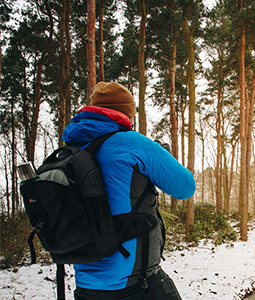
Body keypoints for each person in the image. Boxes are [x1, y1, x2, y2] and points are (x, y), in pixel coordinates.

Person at [61, 82, 196, 300]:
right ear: (126, 113)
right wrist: (162, 156)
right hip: (135, 284)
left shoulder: (71, 149)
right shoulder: (132, 143)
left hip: (85, 287)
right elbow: (185, 186)